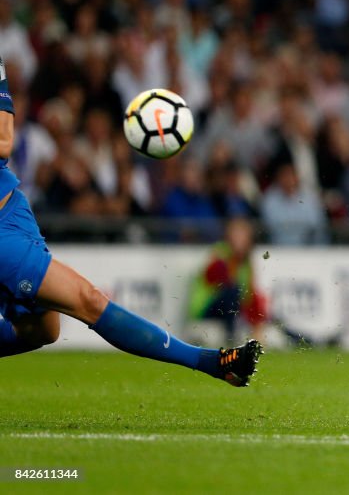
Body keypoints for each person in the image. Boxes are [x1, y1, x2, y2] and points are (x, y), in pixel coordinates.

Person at [0, 55, 262, 385]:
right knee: (88, 300)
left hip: (12, 208)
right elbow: (4, 142)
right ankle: (212, 362)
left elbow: (4, 137)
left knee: (40, 330)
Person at [190, 217, 267, 343]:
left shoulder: (246, 262)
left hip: (230, 307)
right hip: (206, 307)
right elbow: (223, 281)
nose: (240, 241)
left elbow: (249, 294)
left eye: (243, 236)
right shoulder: (220, 253)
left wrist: (258, 320)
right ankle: (231, 337)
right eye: (237, 236)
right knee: (232, 291)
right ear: (228, 237)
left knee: (257, 299)